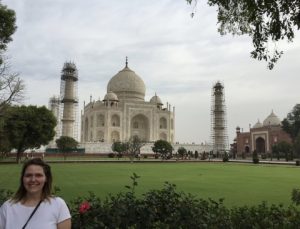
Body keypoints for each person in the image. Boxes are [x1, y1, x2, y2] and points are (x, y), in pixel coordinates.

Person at [0, 158, 71, 229]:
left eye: (38, 175)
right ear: (23, 178)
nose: (33, 180)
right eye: (28, 175)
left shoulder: (58, 205)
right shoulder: (7, 208)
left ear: (46, 178)